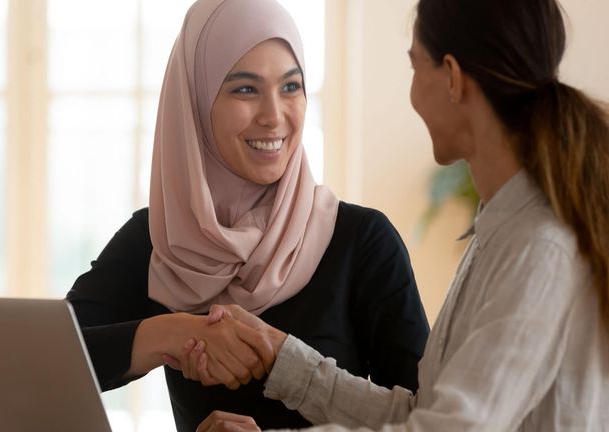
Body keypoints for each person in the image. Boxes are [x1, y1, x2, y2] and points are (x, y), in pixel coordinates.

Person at [181, 0, 609, 430]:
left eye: (415, 64)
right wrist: (280, 355)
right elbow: (424, 412)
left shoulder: (538, 246)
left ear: (453, 78)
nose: (413, 91)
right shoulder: (500, 230)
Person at [64, 0, 429, 430]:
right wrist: (175, 333)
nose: (274, 117)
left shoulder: (363, 242)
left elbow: (425, 420)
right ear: (197, 104)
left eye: (291, 87)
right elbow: (43, 360)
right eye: (245, 89)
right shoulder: (162, 239)